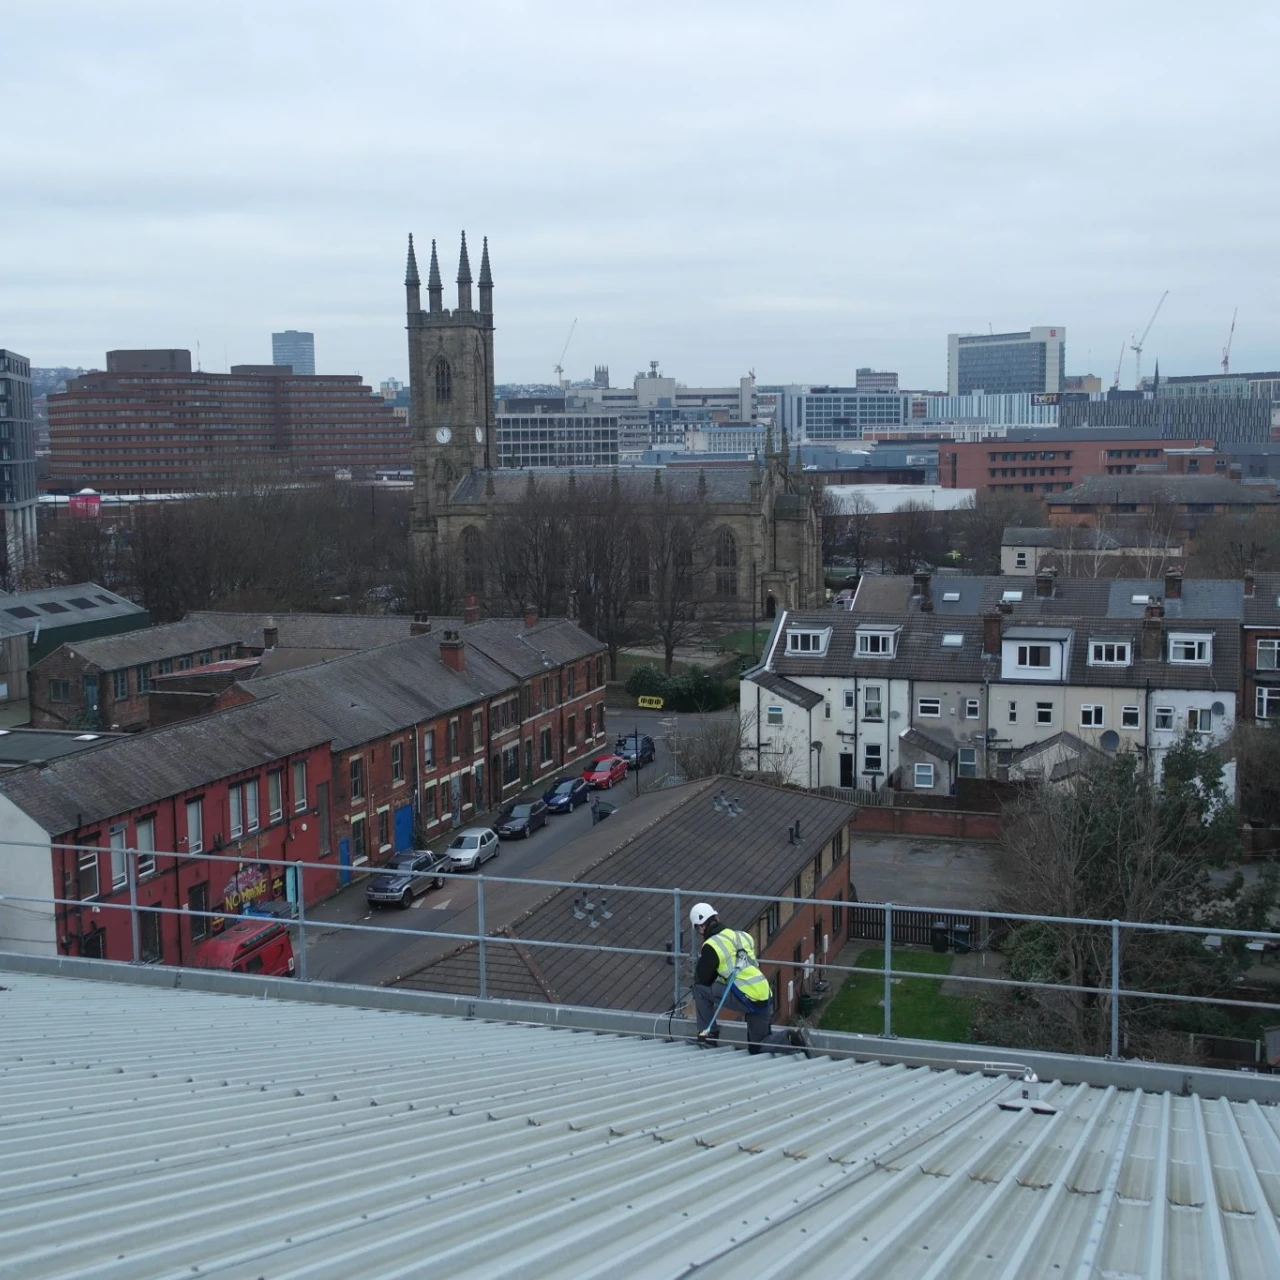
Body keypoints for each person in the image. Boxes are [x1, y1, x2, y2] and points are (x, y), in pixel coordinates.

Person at [689, 902, 810, 1056]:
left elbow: (702, 979)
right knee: (757, 1046)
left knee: (699, 990)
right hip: (763, 993)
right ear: (717, 917)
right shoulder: (742, 936)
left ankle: (708, 1035)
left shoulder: (711, 945)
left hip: (746, 998)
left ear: (700, 928)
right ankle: (791, 1038)